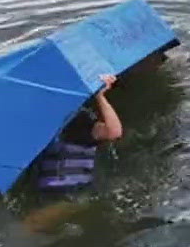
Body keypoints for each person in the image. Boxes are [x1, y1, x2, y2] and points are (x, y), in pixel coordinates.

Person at [23, 74, 122, 231]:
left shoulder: (78, 120)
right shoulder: (36, 123)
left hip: (73, 195)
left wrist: (100, 97)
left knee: (30, 225)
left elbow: (113, 132)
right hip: (48, 194)